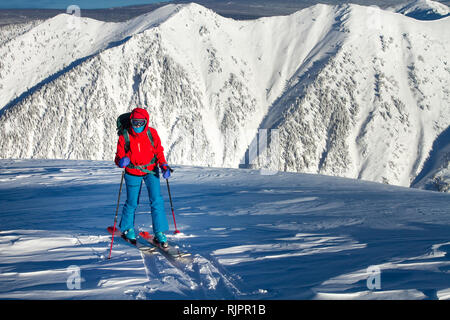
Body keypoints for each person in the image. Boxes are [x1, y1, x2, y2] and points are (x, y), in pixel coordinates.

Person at [114, 107, 172, 248]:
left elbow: (158, 150)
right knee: (132, 202)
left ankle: (159, 232)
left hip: (151, 170)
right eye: (135, 122)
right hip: (132, 172)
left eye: (140, 122)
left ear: (146, 121)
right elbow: (118, 156)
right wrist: (121, 161)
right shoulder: (125, 135)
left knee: (156, 200)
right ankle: (128, 229)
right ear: (131, 121)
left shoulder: (152, 133)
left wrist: (163, 165)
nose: (137, 125)